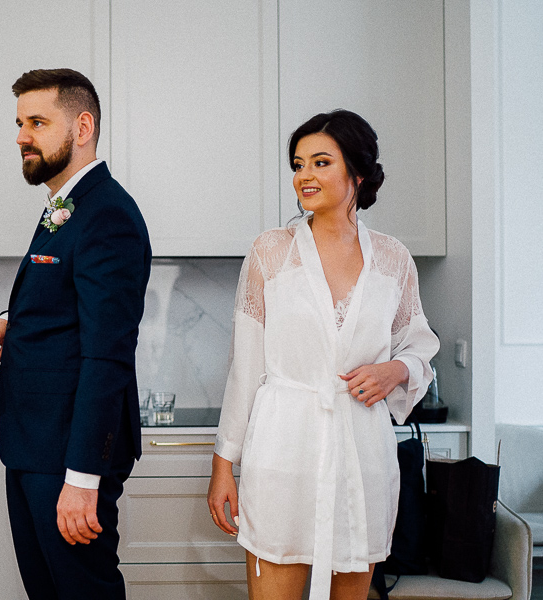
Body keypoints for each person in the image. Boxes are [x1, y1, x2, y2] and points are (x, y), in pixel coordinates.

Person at [207, 110, 439, 600]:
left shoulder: (394, 260)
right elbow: (244, 370)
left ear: (358, 173)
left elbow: (419, 344)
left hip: (362, 456)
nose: (304, 176)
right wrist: (224, 464)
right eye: (298, 164)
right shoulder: (271, 252)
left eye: (320, 162)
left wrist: (395, 370)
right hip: (282, 454)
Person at [0, 68, 151, 599]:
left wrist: (82, 477)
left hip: (67, 456)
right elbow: (64, 296)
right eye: (19, 123)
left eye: (37, 122)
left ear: (82, 127)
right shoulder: (66, 205)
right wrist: (8, 320)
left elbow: (107, 356)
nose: (21, 136)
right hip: (34, 446)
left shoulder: (108, 214)